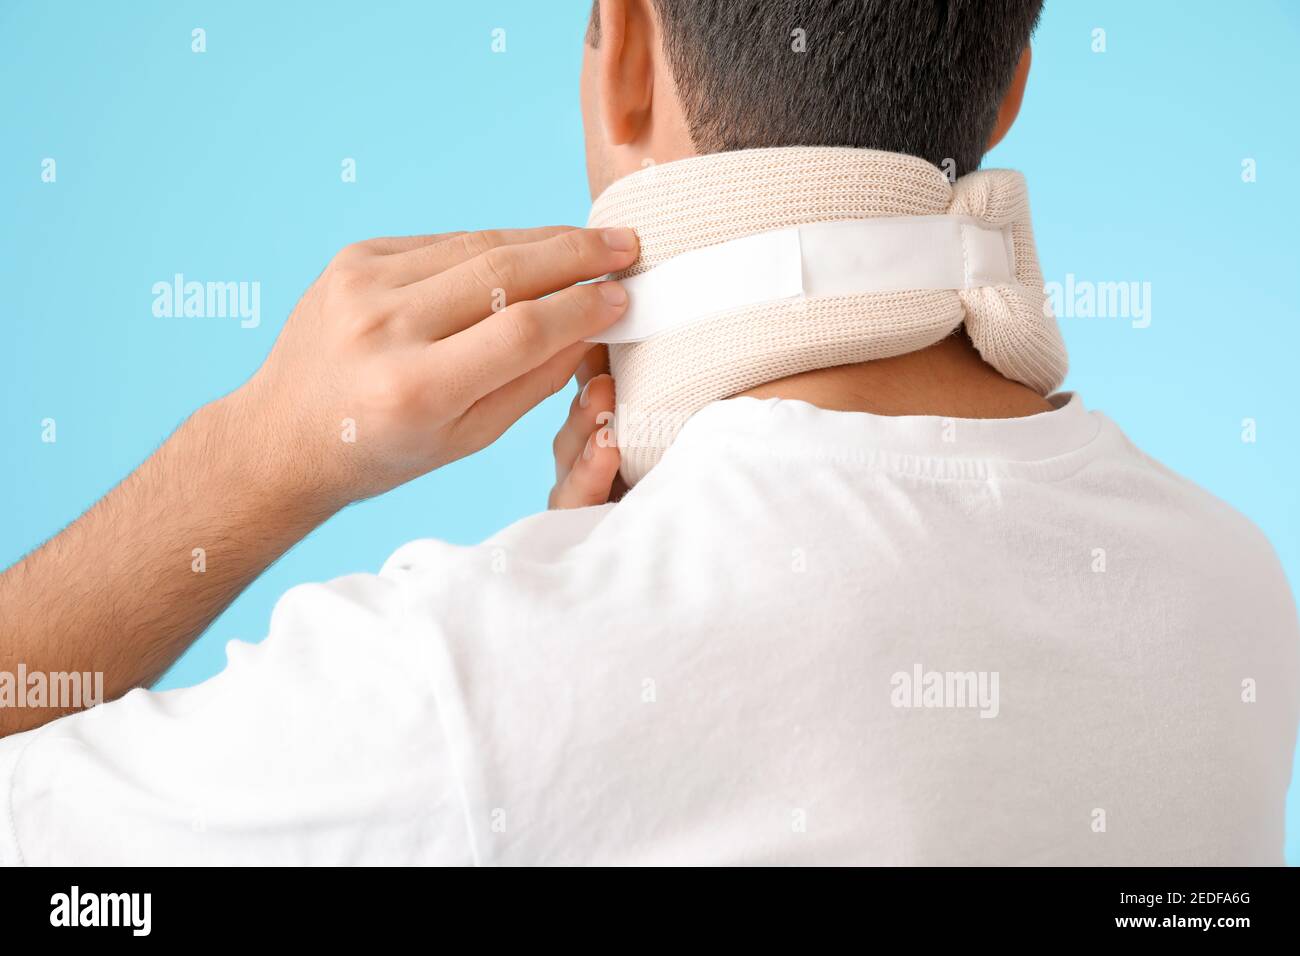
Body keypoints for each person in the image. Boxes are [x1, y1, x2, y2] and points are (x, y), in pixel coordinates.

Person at [0, 0, 1294, 865]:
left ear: (623, 51)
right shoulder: (1235, 589)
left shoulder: (451, 688)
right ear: (1010, 87)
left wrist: (251, 456)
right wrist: (584, 609)